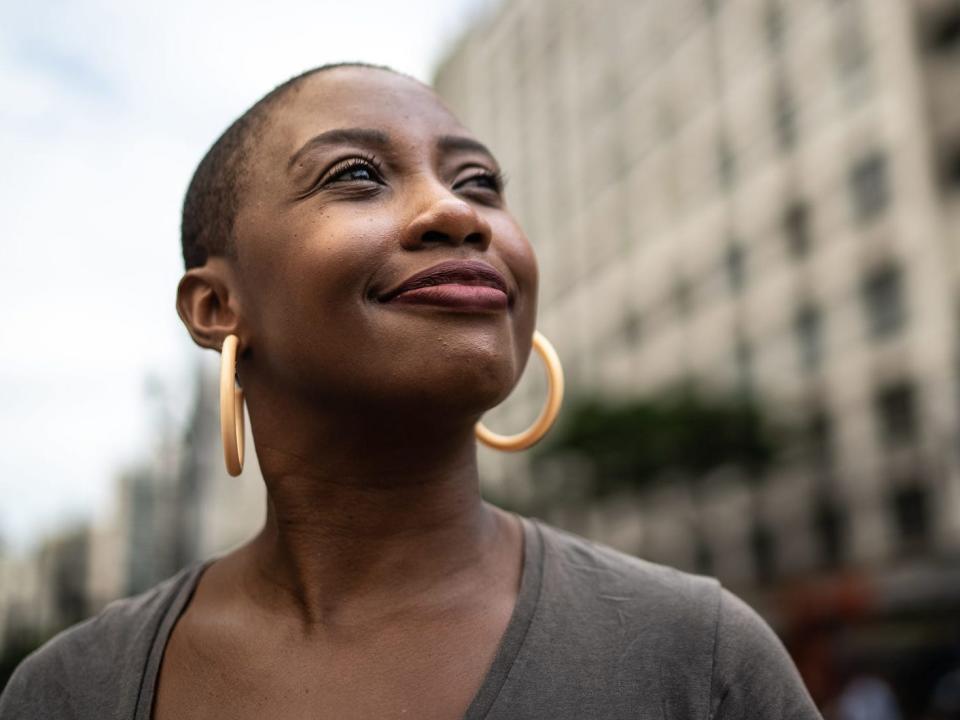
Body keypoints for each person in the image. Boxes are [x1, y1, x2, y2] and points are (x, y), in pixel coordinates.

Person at [0, 62, 822, 719]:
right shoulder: (69, 692)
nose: (457, 213)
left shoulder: (698, 656)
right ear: (216, 307)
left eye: (481, 184)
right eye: (356, 174)